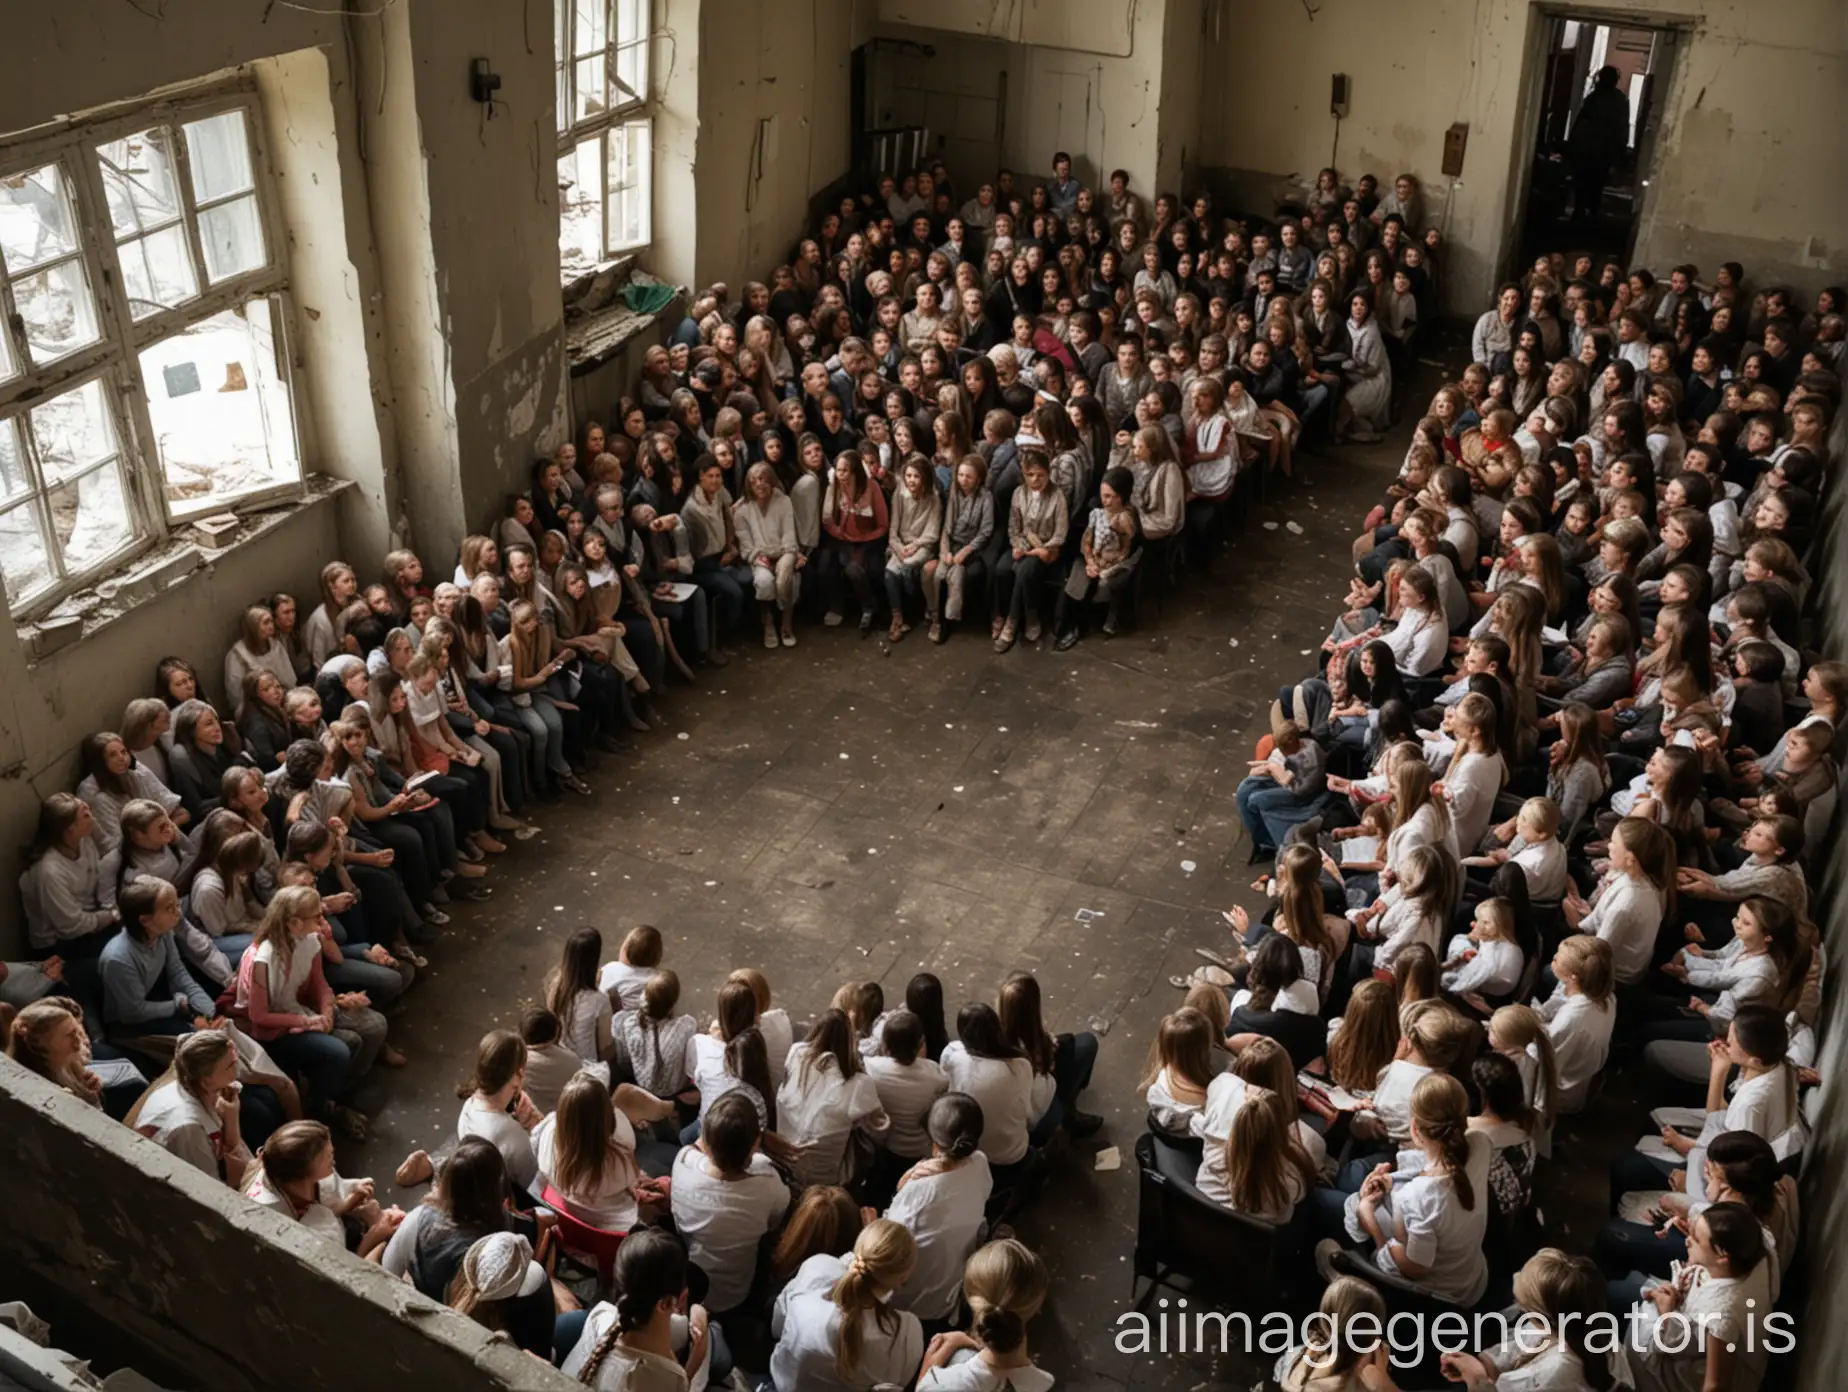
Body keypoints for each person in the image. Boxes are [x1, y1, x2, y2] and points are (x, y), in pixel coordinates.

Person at [769, 1218, 924, 1392]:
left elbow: (777, 1327)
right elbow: (898, 1383)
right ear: (903, 1277)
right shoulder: (905, 1334)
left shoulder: (815, 1273)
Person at [562, 1228, 720, 1391]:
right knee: (721, 1357)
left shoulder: (601, 1316)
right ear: (669, 1303)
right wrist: (698, 1354)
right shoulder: (669, 1378)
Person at [885, 1092, 993, 1323]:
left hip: (909, 1303)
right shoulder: (981, 1164)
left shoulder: (919, 1190)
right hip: (949, 1289)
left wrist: (902, 1185)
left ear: (935, 1145)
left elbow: (887, 1242)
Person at [917, 1239, 1053, 1390]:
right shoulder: (1047, 1385)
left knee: (963, 1356)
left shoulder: (942, 1384)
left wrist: (928, 1372)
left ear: (970, 1297)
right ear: (1037, 1304)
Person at [1568, 66, 1631, 224]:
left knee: (1583, 181)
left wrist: (1572, 144)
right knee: (1596, 183)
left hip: (1589, 148)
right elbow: (1622, 128)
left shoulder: (1594, 98)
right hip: (1602, 150)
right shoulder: (1618, 100)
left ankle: (1581, 212)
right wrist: (1620, 153)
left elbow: (1581, 122)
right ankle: (1591, 214)